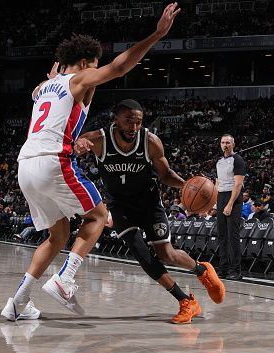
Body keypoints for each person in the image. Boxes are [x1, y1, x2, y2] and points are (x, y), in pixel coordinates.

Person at [1, 3, 182, 321]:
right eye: (92, 68)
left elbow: (37, 93)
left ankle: (18, 302)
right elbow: (120, 67)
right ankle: (64, 280)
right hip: (52, 160)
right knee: (99, 216)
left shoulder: (44, 88)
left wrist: (52, 79)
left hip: (25, 166)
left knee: (57, 236)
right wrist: (157, 34)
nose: (94, 76)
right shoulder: (79, 78)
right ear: (84, 63)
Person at [75, 99, 225, 324]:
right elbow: (75, 146)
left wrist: (185, 186)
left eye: (138, 122)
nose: (133, 127)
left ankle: (202, 270)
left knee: (167, 254)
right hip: (120, 205)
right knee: (141, 253)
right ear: (115, 119)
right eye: (128, 122)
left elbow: (165, 174)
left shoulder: (150, 141)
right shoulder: (98, 140)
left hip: (149, 203)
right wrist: (79, 145)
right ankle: (186, 301)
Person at [215, 134, 246, 280]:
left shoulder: (238, 160)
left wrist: (230, 204)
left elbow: (238, 184)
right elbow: (217, 183)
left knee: (233, 235)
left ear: (233, 144)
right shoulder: (219, 161)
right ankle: (223, 269)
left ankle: (236, 270)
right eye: (223, 142)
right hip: (221, 196)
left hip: (233, 197)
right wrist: (215, 203)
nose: (225, 145)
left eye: (228, 142)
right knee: (222, 235)